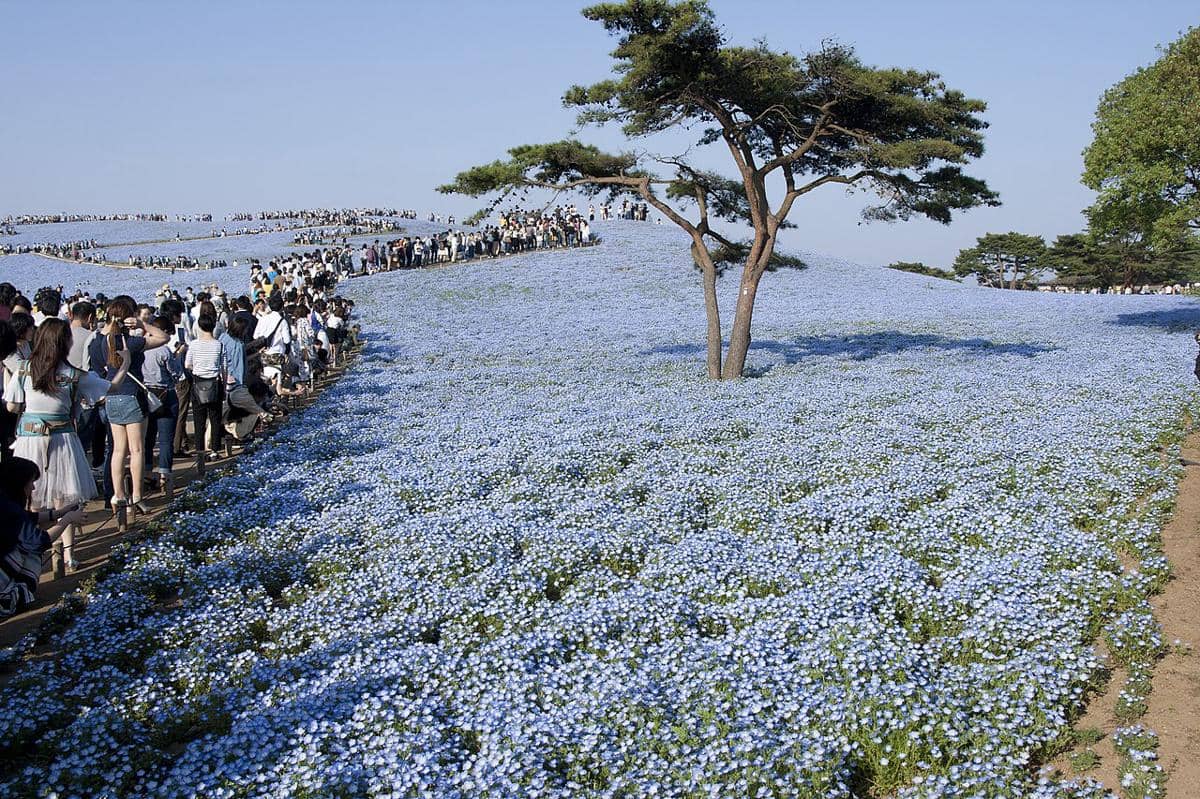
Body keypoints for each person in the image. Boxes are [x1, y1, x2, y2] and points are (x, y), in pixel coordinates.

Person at [5, 319, 130, 570]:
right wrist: (125, 362)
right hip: (62, 438)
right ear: (64, 343)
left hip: (29, 438)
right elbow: (111, 388)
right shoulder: (74, 375)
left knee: (33, 495)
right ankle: (68, 554)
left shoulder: (24, 370)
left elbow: (12, 406)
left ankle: (36, 555)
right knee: (66, 495)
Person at [88, 297, 169, 511]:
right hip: (132, 396)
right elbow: (163, 337)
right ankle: (137, 497)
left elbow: (96, 368)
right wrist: (142, 324)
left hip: (111, 397)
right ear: (127, 318)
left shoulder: (98, 341)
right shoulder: (129, 343)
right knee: (137, 450)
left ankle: (118, 496)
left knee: (117, 451)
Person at [0, 457, 87, 615]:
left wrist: (59, 513)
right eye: (31, 482)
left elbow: (26, 518)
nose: (33, 488)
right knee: (30, 554)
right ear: (18, 483)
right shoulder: (10, 510)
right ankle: (16, 593)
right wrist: (68, 519)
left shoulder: (4, 502)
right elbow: (39, 541)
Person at [184, 314, 228, 461]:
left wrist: (198, 367)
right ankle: (214, 450)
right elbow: (224, 368)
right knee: (215, 418)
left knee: (199, 419)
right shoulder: (219, 345)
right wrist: (225, 385)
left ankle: (200, 451)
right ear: (213, 326)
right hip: (215, 382)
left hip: (198, 382)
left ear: (200, 326)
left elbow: (187, 364)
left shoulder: (194, 344)